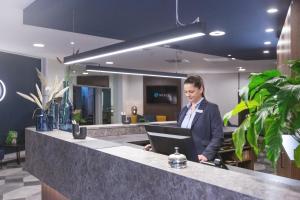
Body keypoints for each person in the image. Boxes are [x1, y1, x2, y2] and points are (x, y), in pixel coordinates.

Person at [177, 75, 223, 162]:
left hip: (201, 157)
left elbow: (218, 136)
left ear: (201, 89)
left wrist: (206, 155)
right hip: (184, 156)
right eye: (185, 92)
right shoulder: (184, 110)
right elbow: (178, 133)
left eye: (191, 91)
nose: (188, 95)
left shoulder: (211, 108)